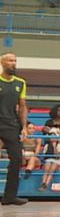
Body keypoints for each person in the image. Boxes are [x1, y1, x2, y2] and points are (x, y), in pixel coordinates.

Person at [0, 52, 28, 205]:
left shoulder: (20, 82)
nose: (13, 63)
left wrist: (23, 127)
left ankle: (9, 197)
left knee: (17, 159)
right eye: (10, 61)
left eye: (15, 61)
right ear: (3, 63)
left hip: (11, 126)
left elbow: (23, 106)